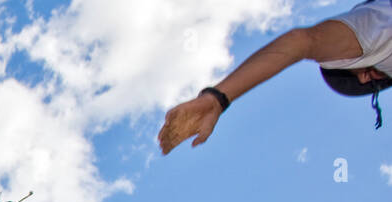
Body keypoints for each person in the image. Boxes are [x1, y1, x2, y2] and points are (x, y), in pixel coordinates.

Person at [159, 0, 392, 154]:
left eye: (364, 77)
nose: (367, 79)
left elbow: (302, 43)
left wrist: (219, 97)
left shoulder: (374, 32)